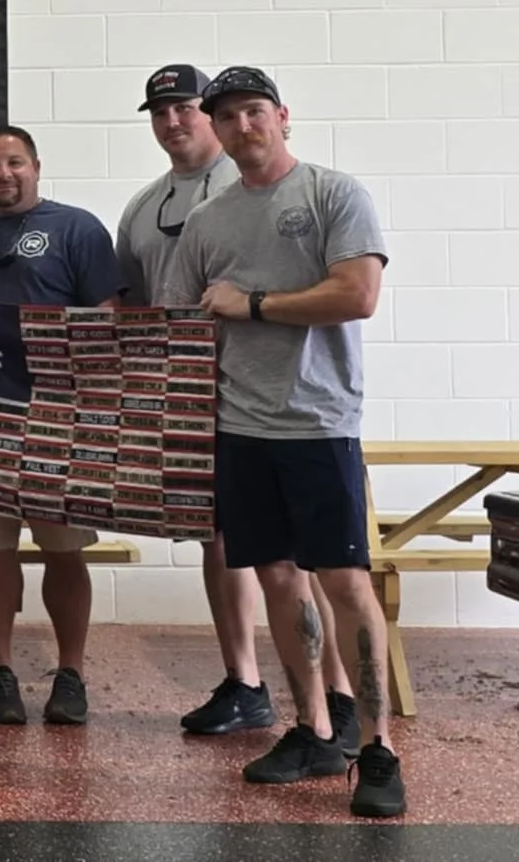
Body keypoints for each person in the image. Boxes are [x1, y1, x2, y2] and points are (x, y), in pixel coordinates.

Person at [163, 66, 404, 819]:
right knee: (275, 578)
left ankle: (378, 750)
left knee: (343, 583)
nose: (242, 127)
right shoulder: (206, 221)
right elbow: (184, 323)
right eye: (226, 116)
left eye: (253, 112)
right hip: (238, 428)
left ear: (281, 116)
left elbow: (356, 295)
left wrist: (255, 303)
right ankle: (312, 730)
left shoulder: (332, 193)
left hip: (317, 424)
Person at [116, 63, 358, 746]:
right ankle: (245, 681)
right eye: (159, 112)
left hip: (297, 407)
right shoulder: (145, 207)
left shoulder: (281, 189)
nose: (172, 122)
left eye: (185, 109)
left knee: (309, 564)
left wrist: (248, 309)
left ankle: (337, 703)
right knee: (221, 543)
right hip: (198, 400)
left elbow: (349, 292)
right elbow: (138, 303)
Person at [0, 124, 123, 728]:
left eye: (15, 162)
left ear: (37, 166)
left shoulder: (78, 228)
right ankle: (0, 671)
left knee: (64, 550)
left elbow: (106, 318)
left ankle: (70, 672)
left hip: (61, 418)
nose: (4, 174)